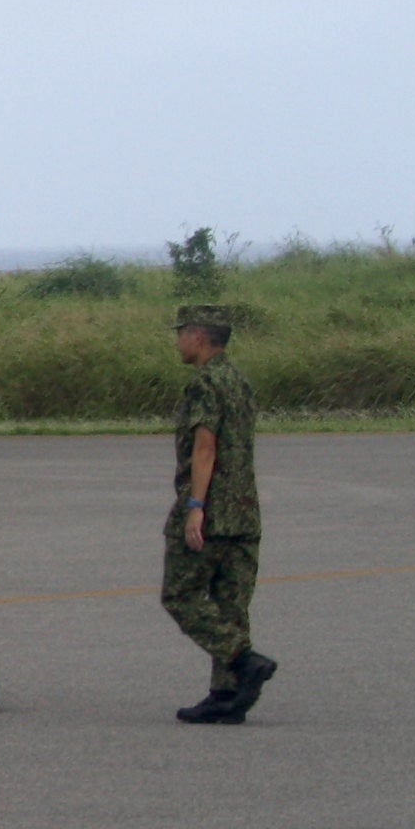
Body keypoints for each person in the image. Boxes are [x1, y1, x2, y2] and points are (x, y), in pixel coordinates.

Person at [159, 303, 270, 724]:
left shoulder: (205, 383)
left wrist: (195, 508)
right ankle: (226, 695)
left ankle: (243, 662)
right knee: (230, 605)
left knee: (180, 595)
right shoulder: (238, 380)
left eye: (181, 333)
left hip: (213, 512)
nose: (178, 341)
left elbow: (206, 446)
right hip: (245, 513)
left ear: (199, 337)